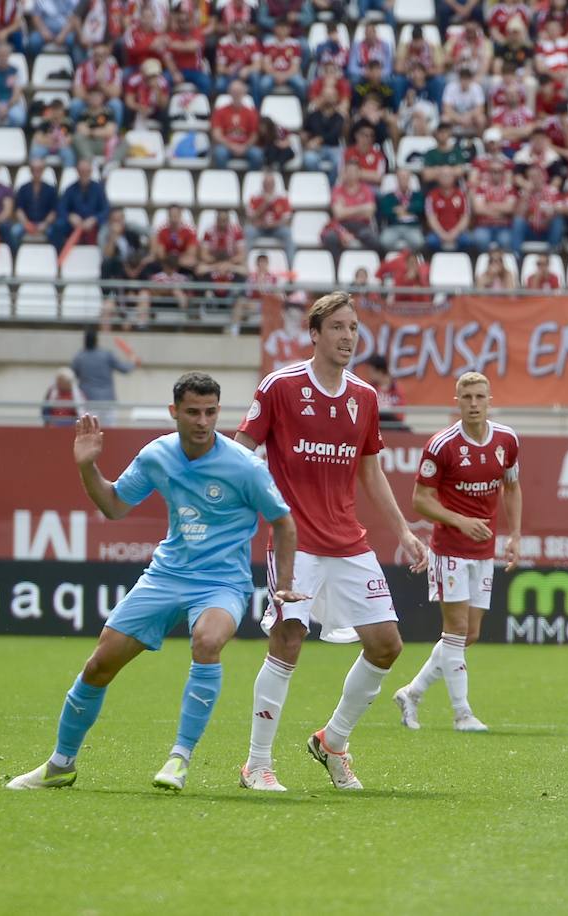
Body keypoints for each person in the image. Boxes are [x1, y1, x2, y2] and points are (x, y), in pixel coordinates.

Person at [7, 373, 304, 792]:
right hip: (166, 575)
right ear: (174, 413)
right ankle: (60, 764)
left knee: (207, 640)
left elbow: (283, 521)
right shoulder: (157, 455)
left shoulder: (244, 466)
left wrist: (284, 583)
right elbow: (113, 506)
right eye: (193, 412)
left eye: (211, 412)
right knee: (98, 665)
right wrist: (87, 466)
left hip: (222, 583)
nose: (203, 421)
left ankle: (179, 759)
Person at [236, 292, 428, 792]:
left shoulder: (364, 397)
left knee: (387, 645)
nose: (348, 337)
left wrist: (403, 530)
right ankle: (257, 763)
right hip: (294, 544)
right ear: (315, 334)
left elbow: (371, 470)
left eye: (354, 328)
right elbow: (241, 452)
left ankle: (332, 740)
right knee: (289, 639)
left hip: (348, 542)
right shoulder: (280, 387)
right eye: (338, 327)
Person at [393, 372, 522, 733]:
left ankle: (411, 692)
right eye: (467, 397)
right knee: (456, 629)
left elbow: (512, 487)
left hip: (483, 552)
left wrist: (514, 535)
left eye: (480, 397)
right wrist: (461, 521)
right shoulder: (442, 445)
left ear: (489, 399)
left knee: (471, 634)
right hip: (449, 550)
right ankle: (462, 713)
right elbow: (420, 500)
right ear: (457, 401)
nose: (474, 403)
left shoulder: (507, 440)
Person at [71, 329, 136, 420]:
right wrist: (133, 361)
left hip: (88, 401)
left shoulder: (79, 357)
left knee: (90, 431)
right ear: (97, 340)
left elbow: (73, 375)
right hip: (107, 401)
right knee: (109, 432)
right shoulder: (106, 354)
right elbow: (125, 369)